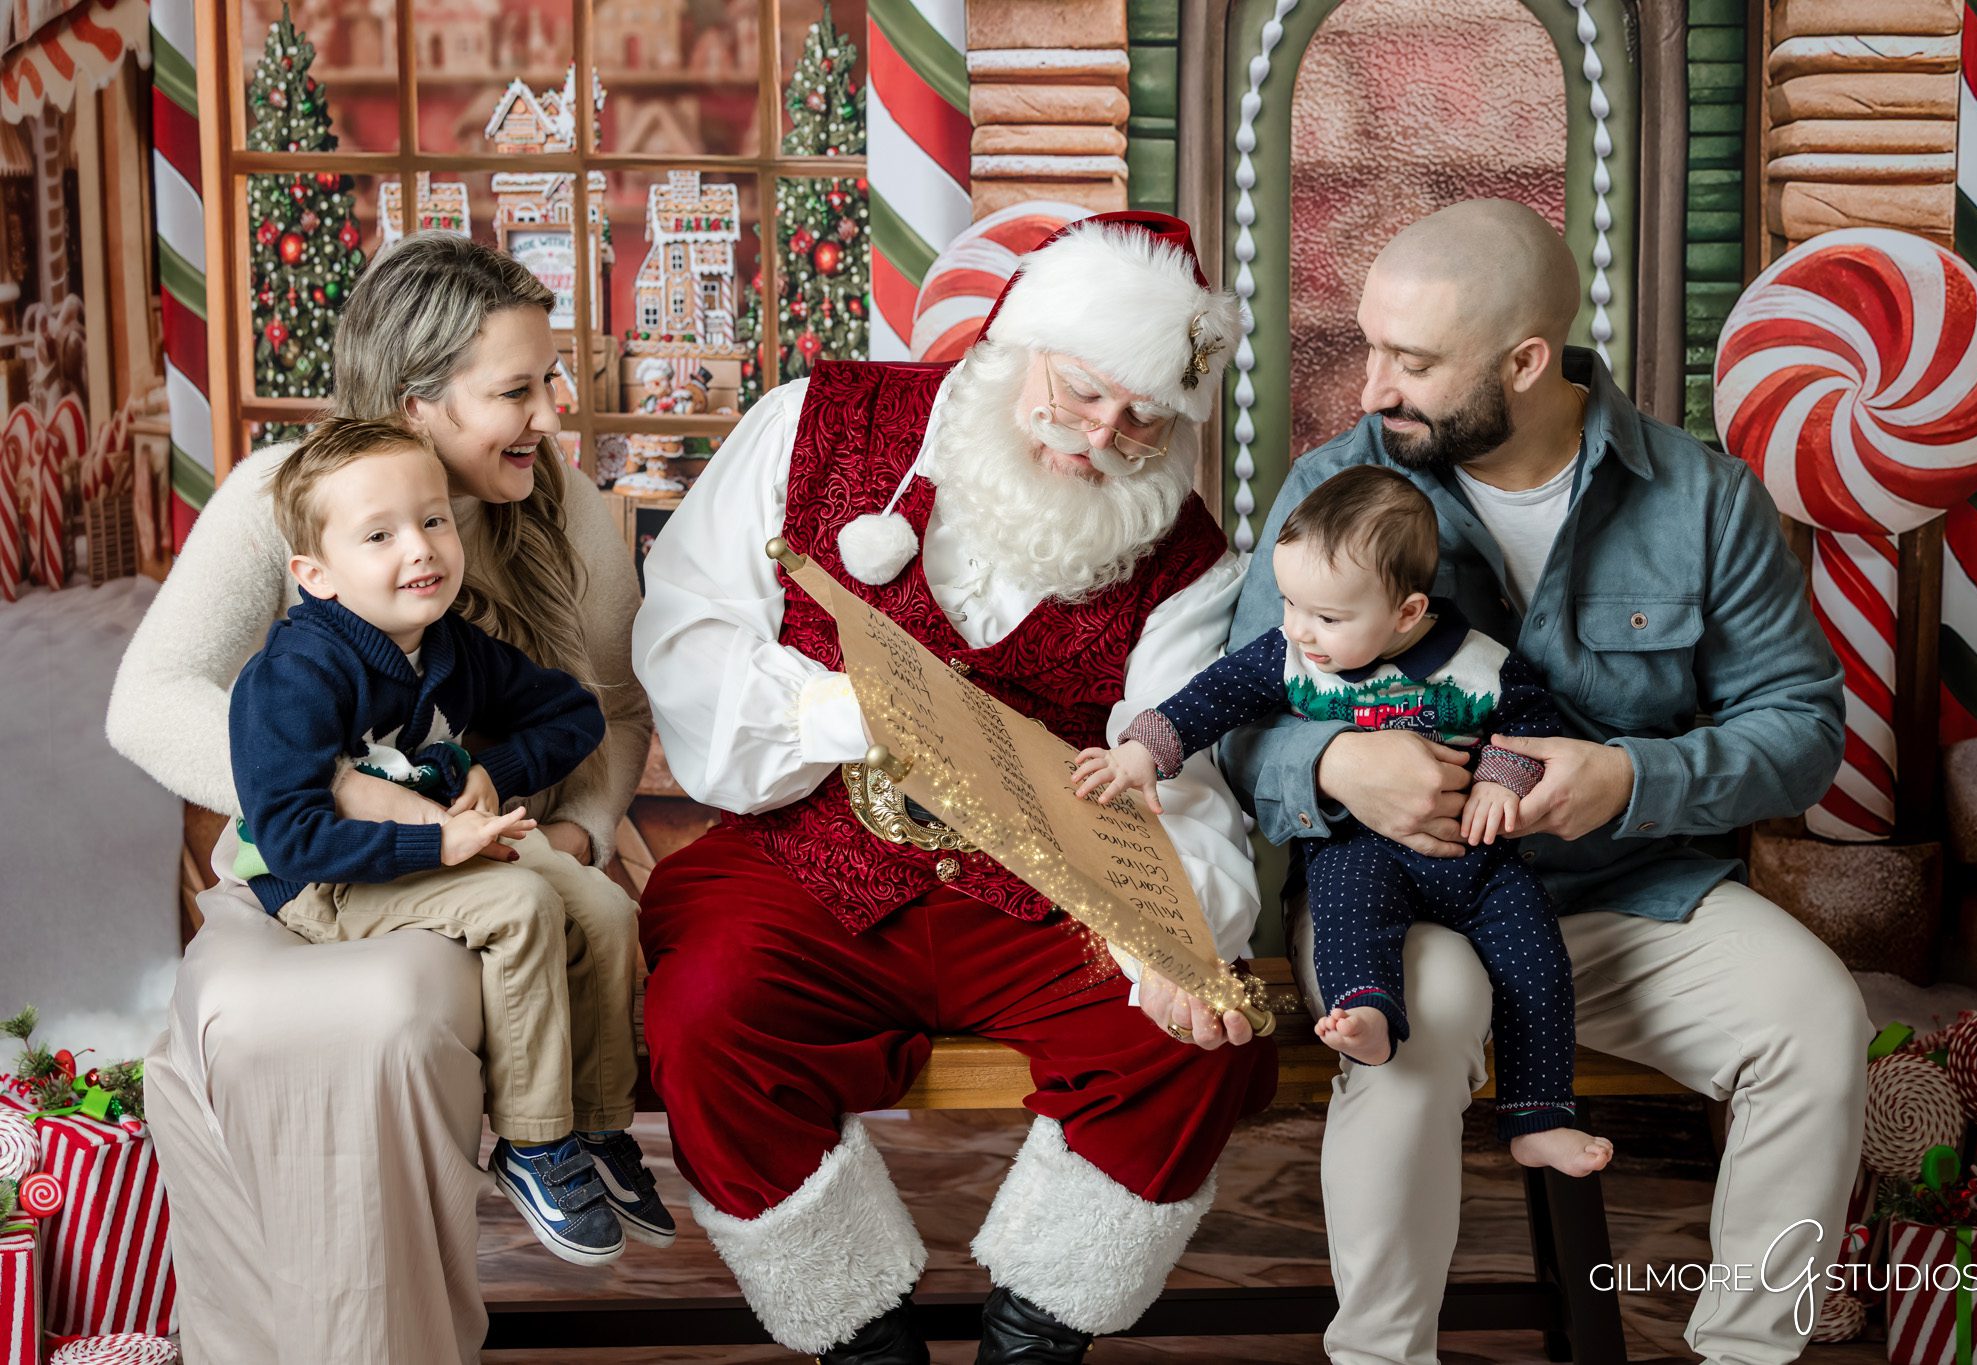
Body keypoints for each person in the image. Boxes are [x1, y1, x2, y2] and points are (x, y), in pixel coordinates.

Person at [1218, 198, 1869, 1365]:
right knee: (1418, 1025)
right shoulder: (1333, 485)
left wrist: (1629, 777)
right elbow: (1239, 717)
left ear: (1524, 361)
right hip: (1406, 893)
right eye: (1369, 347)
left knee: (1814, 1024)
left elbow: (1801, 730)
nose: (1371, 388)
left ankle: (1745, 1354)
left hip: (1631, 894)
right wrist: (1331, 763)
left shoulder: (1702, 498)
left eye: (1410, 362)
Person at [632, 212, 1277, 1365]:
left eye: (1142, 418)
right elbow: (688, 632)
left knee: (1193, 1042)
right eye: (1081, 392)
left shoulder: (1182, 554)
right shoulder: (813, 423)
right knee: (704, 1014)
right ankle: (857, 1336)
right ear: (1019, 342)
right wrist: (846, 709)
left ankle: (1035, 1337)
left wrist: (1175, 946)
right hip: (807, 859)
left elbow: (1180, 777)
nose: (1099, 436)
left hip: (1042, 892)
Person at [107, 232, 653, 1364]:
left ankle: (415, 1299)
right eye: (517, 390)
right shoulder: (284, 496)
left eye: (548, 382)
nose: (551, 416)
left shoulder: (570, 521)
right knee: (285, 1032)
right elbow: (148, 701)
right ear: (416, 407)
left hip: (511, 864)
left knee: (411, 1006)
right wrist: (353, 794)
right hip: (311, 874)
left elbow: (613, 711)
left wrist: (569, 831)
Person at [1073, 464, 1612, 1177]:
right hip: (1359, 846)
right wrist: (1146, 749)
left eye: (1327, 616)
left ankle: (1539, 1113)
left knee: (1537, 955)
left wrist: (1498, 781)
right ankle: (1368, 1014)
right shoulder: (1294, 658)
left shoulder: (1479, 664)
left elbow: (1531, 725)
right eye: (1292, 602)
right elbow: (1213, 697)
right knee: (1348, 914)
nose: (1300, 628)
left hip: (1475, 859)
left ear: (1407, 612)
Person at [227, 415, 672, 1267]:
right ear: (315, 574)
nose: (421, 548)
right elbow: (289, 835)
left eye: (433, 520)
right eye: (380, 535)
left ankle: (599, 1122)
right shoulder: (292, 676)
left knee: (607, 907)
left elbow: (573, 711)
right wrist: (435, 851)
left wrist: (495, 771)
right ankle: (533, 1143)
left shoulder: (449, 644)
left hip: (444, 835)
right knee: (521, 902)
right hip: (328, 874)